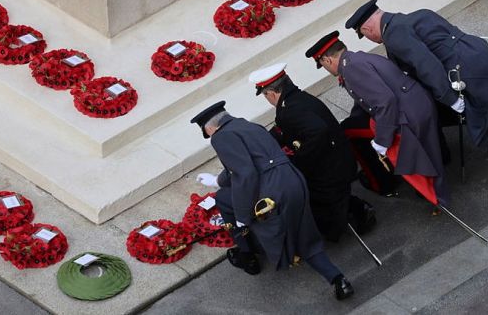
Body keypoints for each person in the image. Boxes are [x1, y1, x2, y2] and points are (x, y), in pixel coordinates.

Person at [191, 101, 355, 300]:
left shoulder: (220, 137)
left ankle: (247, 254)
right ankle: (338, 280)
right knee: (305, 235)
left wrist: (242, 214)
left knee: (224, 200)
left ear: (209, 128)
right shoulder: (249, 125)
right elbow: (245, 165)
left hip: (271, 191)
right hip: (293, 181)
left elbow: (246, 173)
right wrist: (218, 180)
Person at [345, 0, 488, 159]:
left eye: (365, 35)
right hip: (480, 52)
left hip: (462, 68)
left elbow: (426, 64)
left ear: (367, 29)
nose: (370, 39)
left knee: (431, 107)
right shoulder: (419, 14)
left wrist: (449, 98)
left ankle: (442, 156)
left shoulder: (393, 35)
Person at [306, 31, 449, 206]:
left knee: (421, 163)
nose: (327, 70)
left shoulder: (351, 69)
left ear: (327, 60)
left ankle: (437, 199)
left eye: (323, 65)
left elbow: (384, 101)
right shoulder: (357, 59)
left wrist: (382, 140)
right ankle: (436, 191)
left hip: (409, 113)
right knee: (430, 153)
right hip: (417, 103)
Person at [248, 63, 376, 240]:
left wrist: (301, 159)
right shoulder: (295, 99)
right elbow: (283, 130)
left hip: (333, 167)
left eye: (265, 96)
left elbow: (318, 131)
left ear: (271, 93)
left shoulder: (290, 109)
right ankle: (354, 210)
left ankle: (357, 213)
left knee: (307, 191)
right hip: (338, 158)